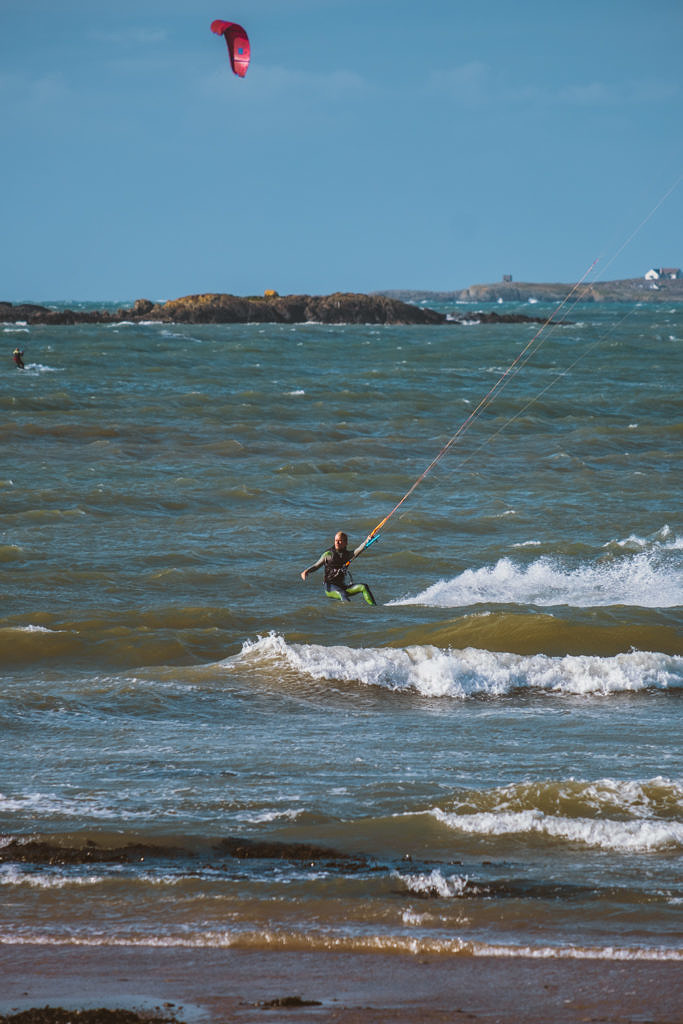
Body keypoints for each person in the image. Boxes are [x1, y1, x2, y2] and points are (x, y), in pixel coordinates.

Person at [301, 531, 376, 605]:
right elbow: (316, 565)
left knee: (363, 587)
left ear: (345, 543)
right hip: (330, 587)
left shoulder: (347, 555)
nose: (337, 543)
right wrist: (307, 571)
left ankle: (374, 607)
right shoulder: (329, 554)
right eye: (336, 540)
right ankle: (348, 611)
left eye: (340, 541)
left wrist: (367, 541)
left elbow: (359, 549)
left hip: (342, 586)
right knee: (343, 594)